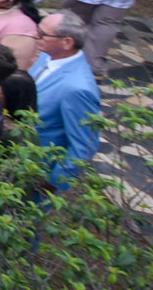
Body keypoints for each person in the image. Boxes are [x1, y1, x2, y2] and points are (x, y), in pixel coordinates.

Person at [26, 11, 102, 189]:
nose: (35, 35)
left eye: (42, 34)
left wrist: (53, 183)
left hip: (37, 171)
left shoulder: (78, 88)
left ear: (67, 42)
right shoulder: (47, 56)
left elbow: (84, 145)